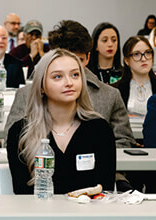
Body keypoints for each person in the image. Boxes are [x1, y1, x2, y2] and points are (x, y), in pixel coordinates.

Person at [7, 20, 136, 149]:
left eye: (78, 60)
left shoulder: (110, 96)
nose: (72, 65)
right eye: (61, 60)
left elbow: (124, 141)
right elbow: (12, 140)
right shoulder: (25, 94)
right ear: (50, 56)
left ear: (88, 57)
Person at [7, 49, 116, 195]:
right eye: (58, 77)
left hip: (89, 214)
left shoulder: (100, 129)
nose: (69, 83)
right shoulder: (21, 132)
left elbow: (105, 189)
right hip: (38, 215)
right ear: (41, 86)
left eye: (75, 75)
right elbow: (22, 193)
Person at [113, 36, 156, 122]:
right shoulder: (115, 91)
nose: (143, 59)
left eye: (147, 53)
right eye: (136, 54)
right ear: (126, 60)